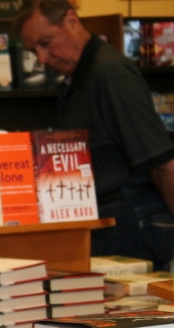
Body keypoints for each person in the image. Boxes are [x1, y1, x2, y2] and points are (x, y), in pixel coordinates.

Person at [16, 0, 174, 269]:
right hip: (110, 220)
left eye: (46, 42)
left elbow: (163, 162)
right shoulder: (81, 76)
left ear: (72, 21)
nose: (42, 59)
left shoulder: (109, 74)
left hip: (130, 222)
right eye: (34, 51)